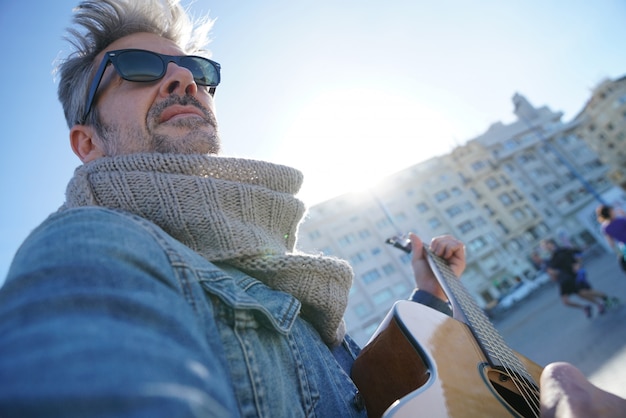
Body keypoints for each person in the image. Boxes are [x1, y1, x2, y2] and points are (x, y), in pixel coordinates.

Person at [0, 1, 624, 416]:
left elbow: (358, 394)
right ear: (87, 142)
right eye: (137, 68)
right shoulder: (92, 248)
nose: (182, 80)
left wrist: (430, 300)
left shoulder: (272, 263)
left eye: (195, 69)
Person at [542, 238, 611, 318]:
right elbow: (557, 270)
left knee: (584, 291)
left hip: (578, 274)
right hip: (570, 276)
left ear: (552, 244)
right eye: (545, 246)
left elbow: (579, 253)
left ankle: (605, 298)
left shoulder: (563, 250)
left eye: (547, 245)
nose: (546, 247)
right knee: (581, 294)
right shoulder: (552, 258)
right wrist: (553, 273)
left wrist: (578, 264)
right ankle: (600, 302)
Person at [596, 204, 626, 273]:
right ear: (609, 213)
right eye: (612, 211)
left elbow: (611, 244)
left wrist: (619, 254)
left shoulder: (605, 227)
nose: (614, 212)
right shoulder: (621, 220)